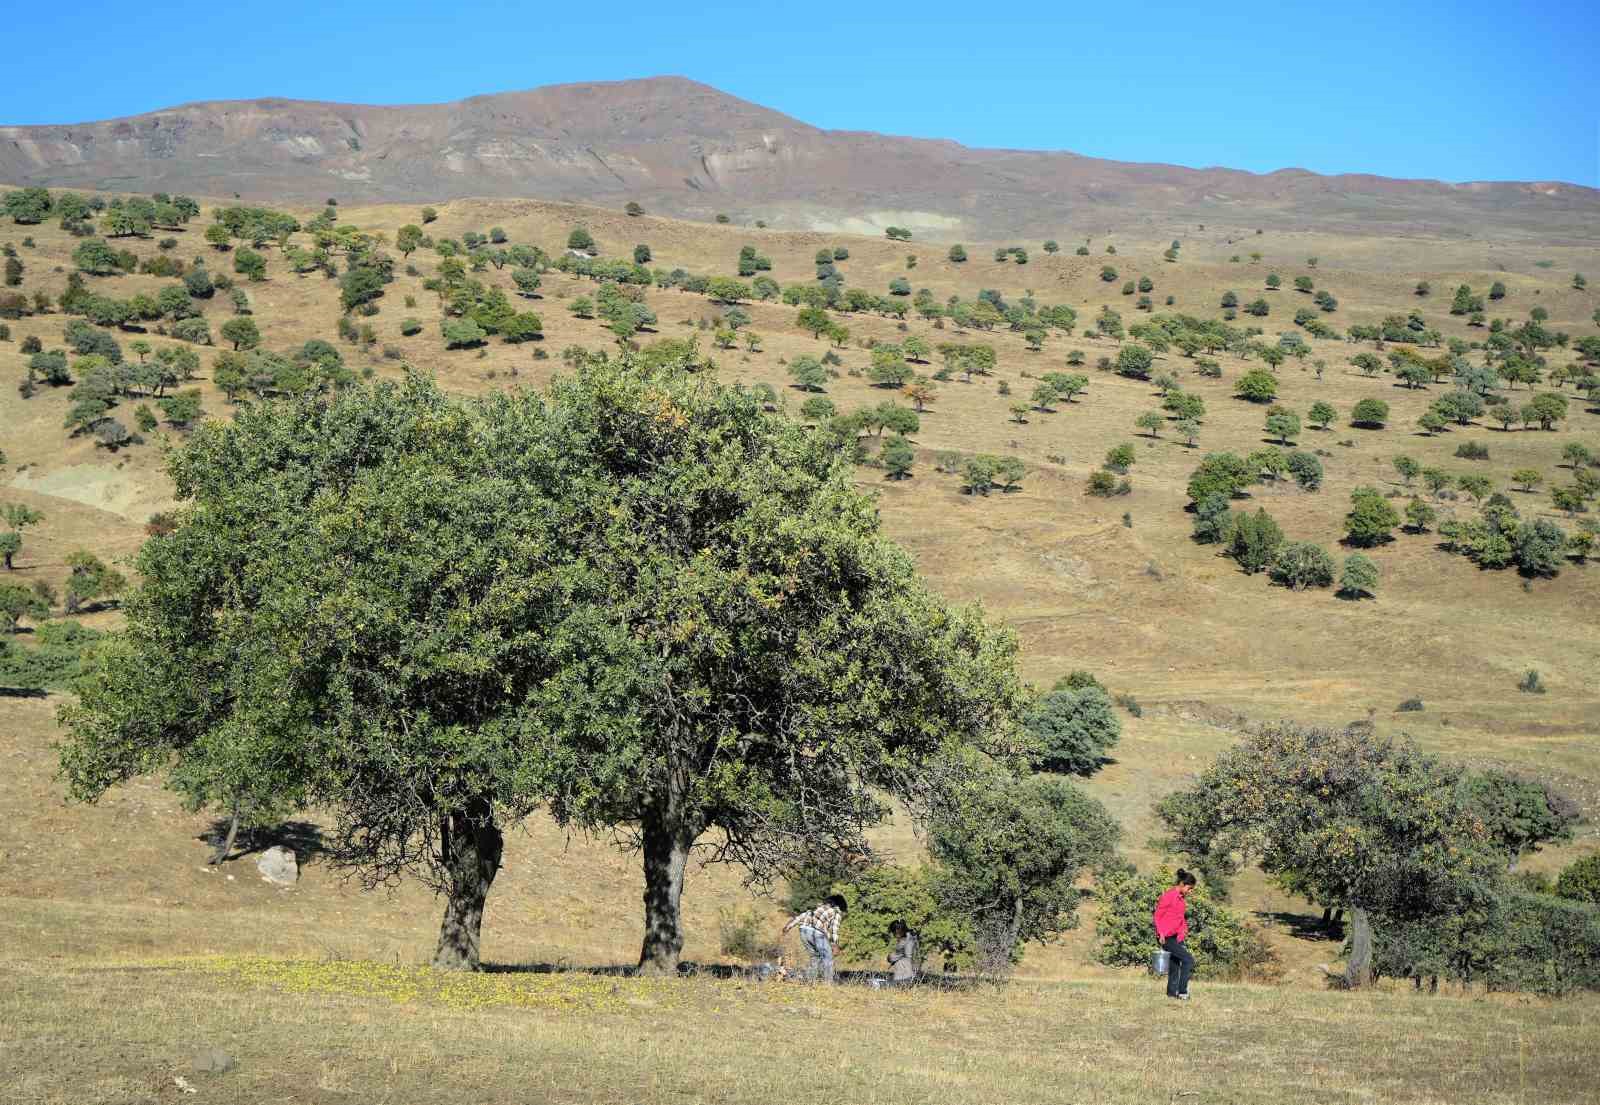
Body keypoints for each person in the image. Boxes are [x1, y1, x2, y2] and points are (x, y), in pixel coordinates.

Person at [1153, 869, 1198, 1000]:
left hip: (1175, 937)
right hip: (1165, 937)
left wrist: (1183, 930)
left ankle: (1171, 993)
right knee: (1188, 960)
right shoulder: (1168, 896)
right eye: (1190, 888)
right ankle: (1183, 992)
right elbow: (1157, 915)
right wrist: (1160, 933)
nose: (1191, 891)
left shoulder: (1181, 900)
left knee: (1175, 964)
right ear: (1183, 884)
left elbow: (1180, 918)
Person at [783, 893, 847, 983]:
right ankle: (828, 984)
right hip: (817, 933)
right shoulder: (836, 912)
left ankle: (810, 981)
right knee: (827, 958)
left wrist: (788, 927)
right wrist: (834, 944)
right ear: (841, 905)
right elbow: (834, 929)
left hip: (803, 931)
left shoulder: (817, 907)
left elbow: (801, 916)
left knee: (815, 957)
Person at [887, 919, 919, 986]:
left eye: (893, 932)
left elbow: (892, 957)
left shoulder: (907, 941)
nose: (893, 935)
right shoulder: (910, 938)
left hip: (905, 977)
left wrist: (890, 956)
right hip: (907, 976)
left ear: (897, 931)